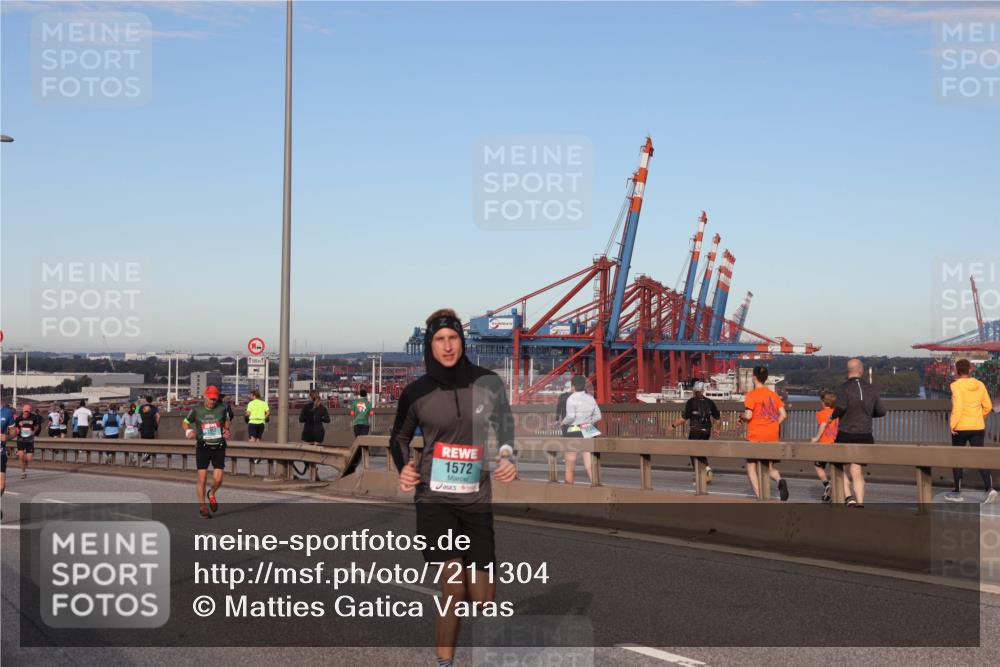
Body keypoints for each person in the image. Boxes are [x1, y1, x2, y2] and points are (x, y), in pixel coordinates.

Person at [389, 309, 517, 667]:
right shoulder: (416, 392)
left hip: (476, 499)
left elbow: (505, 429)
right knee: (454, 586)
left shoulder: (489, 383)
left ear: (463, 341)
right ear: (430, 346)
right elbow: (398, 438)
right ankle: (445, 663)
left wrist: (507, 455)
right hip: (434, 499)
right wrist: (404, 470)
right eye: (440, 340)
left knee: (483, 596)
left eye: (453, 338)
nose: (447, 346)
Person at [817, 358, 886, 508]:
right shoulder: (871, 389)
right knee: (857, 469)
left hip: (846, 433)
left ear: (848, 371)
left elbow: (841, 407)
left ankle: (849, 498)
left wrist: (833, 416)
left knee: (838, 467)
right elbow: (881, 411)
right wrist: (868, 414)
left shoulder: (843, 388)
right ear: (861, 371)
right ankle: (860, 502)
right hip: (865, 435)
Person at [945, 358, 996, 503]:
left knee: (957, 459)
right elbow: (988, 405)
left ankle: (957, 492)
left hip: (960, 427)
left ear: (956, 370)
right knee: (980, 457)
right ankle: (989, 489)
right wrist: (980, 417)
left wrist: (953, 424)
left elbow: (959, 406)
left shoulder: (955, 385)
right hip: (978, 427)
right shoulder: (980, 384)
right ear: (970, 369)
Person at [740, 366, 789, 501]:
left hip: (756, 436)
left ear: (754, 377)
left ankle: (760, 496)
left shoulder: (751, 395)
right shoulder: (773, 395)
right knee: (768, 467)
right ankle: (779, 480)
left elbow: (749, 416)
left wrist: (741, 417)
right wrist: (773, 425)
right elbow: (783, 415)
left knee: (751, 467)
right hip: (772, 436)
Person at [184, 385, 231, 519]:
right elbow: (185, 422)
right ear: (205, 396)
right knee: (202, 478)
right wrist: (188, 431)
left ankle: (211, 493)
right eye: (210, 399)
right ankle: (203, 507)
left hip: (219, 446)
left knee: (218, 479)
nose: (212, 402)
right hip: (202, 446)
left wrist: (227, 431)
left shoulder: (222, 408)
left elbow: (226, 421)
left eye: (214, 400)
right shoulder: (196, 409)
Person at [671, 381, 720, 485]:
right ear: (703, 390)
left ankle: (701, 475)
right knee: (701, 451)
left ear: (694, 391)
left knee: (693, 452)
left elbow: (684, 418)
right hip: (707, 431)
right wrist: (717, 429)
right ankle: (706, 471)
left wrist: (673, 425)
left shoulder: (691, 402)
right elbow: (717, 419)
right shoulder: (710, 402)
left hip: (695, 431)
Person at [560, 374, 602, 484]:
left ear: (573, 386)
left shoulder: (571, 398)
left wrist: (562, 423)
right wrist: (588, 423)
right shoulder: (590, 398)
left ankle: (569, 488)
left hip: (574, 429)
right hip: (588, 429)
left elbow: (570, 417)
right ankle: (596, 485)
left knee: (570, 462)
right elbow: (598, 416)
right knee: (589, 463)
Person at [810, 391, 840, 502]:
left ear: (823, 402)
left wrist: (816, 438)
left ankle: (827, 484)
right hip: (836, 444)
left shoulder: (820, 414)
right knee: (836, 468)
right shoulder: (839, 414)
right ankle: (835, 491)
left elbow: (822, 425)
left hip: (824, 445)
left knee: (818, 466)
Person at [9, 404, 42, 480]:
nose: (26, 413)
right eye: (24, 411)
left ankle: (25, 461)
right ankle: (23, 472)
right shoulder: (18, 418)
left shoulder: (34, 417)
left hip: (30, 440)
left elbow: (37, 426)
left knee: (29, 458)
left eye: (27, 411)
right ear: (23, 411)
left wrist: (34, 432)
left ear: (29, 411)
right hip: (21, 439)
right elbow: (15, 427)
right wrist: (17, 431)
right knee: (21, 455)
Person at [1, 400, 14, 507]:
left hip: (0, 453)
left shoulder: (7, 412)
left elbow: (14, 431)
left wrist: (8, 437)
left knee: (1, 487)